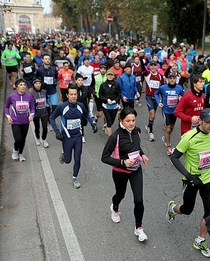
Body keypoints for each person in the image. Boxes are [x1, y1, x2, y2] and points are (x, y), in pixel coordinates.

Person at [166, 108, 210, 258]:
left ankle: (200, 240)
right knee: (187, 209)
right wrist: (188, 176)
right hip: (192, 180)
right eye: (208, 122)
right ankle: (172, 209)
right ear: (200, 121)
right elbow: (174, 157)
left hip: (208, 178)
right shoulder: (189, 137)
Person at [101, 108, 149, 242]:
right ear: (121, 120)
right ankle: (115, 208)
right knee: (120, 195)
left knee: (138, 199)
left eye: (133, 120)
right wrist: (122, 162)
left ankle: (139, 228)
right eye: (128, 121)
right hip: (120, 172)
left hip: (136, 170)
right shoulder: (115, 136)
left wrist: (142, 154)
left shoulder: (137, 131)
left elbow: (136, 147)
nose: (131, 123)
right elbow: (104, 157)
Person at [49, 86, 98, 189]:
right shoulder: (62, 107)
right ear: (67, 95)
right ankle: (63, 155)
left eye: (75, 94)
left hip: (78, 136)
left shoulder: (80, 105)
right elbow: (52, 117)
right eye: (71, 94)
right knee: (67, 160)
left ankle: (75, 178)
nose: (73, 96)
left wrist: (92, 124)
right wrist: (57, 131)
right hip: (66, 137)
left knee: (77, 159)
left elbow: (86, 115)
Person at [4, 79, 35, 162]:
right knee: (18, 139)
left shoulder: (29, 97)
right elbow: (6, 106)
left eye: (24, 85)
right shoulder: (12, 96)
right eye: (21, 85)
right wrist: (8, 116)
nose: (23, 86)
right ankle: (15, 150)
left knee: (23, 139)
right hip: (15, 121)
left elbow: (32, 108)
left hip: (25, 121)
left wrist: (31, 115)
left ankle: (20, 153)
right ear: (17, 86)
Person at [155, 72, 185, 155]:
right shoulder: (163, 87)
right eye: (170, 78)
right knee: (167, 128)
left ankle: (166, 137)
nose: (172, 80)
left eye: (173, 78)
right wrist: (159, 102)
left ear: (176, 79)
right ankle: (168, 146)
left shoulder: (179, 87)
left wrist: (181, 98)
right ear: (168, 79)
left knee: (171, 127)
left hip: (175, 111)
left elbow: (184, 97)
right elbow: (156, 93)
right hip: (166, 110)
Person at [142, 60, 165, 142]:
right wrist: (141, 58)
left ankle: (149, 125)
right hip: (149, 97)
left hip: (157, 98)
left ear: (157, 66)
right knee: (152, 114)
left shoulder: (160, 76)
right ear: (149, 67)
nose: (153, 67)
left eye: (154, 65)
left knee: (153, 115)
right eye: (151, 66)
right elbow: (142, 68)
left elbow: (162, 87)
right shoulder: (147, 74)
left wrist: (163, 98)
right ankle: (151, 133)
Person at [98, 70, 121, 136]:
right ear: (106, 76)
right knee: (109, 121)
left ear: (114, 76)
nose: (110, 76)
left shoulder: (116, 84)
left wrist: (114, 101)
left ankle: (106, 127)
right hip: (106, 106)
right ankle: (110, 138)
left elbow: (119, 95)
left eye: (111, 75)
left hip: (114, 106)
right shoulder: (103, 85)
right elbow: (100, 95)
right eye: (109, 75)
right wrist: (107, 100)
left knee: (112, 121)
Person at [30, 79, 50, 148]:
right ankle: (38, 138)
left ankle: (44, 139)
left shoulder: (44, 91)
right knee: (37, 127)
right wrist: (34, 104)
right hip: (36, 113)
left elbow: (47, 100)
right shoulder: (32, 94)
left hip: (44, 112)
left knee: (45, 128)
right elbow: (30, 104)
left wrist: (48, 106)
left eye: (39, 83)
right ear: (33, 85)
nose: (38, 85)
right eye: (36, 84)